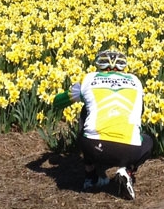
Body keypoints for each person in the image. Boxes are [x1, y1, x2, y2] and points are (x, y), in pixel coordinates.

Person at [54, 49, 154, 200]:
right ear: (123, 66)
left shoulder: (89, 79)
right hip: (129, 150)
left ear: (99, 64)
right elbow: (140, 112)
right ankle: (126, 171)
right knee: (148, 141)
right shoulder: (135, 81)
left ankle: (91, 176)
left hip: (93, 146)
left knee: (85, 112)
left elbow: (58, 102)